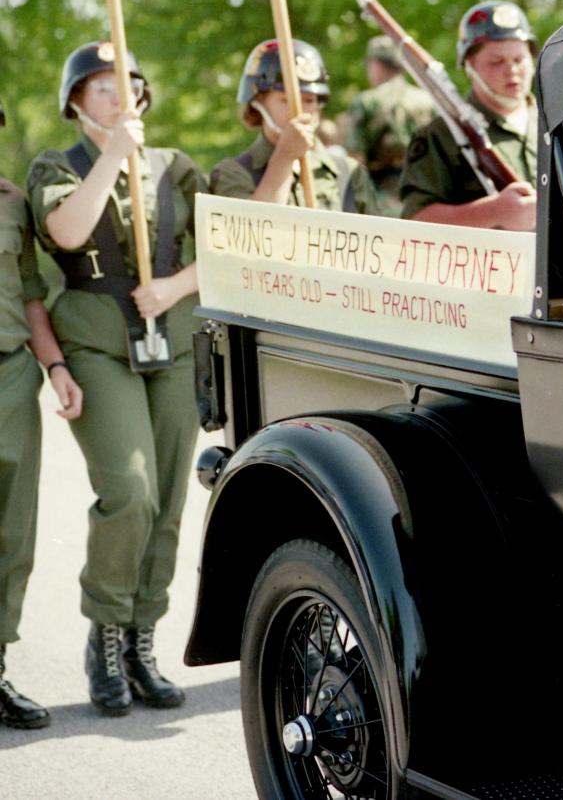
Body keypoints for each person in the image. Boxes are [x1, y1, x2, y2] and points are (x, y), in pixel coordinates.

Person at [27, 41, 203, 717]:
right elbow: (68, 233)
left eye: (127, 84)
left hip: (173, 341)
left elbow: (229, 243)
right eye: (102, 89)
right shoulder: (60, 165)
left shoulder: (175, 168)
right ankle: (104, 632)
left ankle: (140, 638)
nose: (118, 97)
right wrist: (111, 155)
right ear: (77, 104)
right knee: (128, 491)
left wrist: (177, 285)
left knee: (165, 499)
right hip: (98, 344)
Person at [0, 98, 83, 730]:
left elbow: (31, 297)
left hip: (10, 376)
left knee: (12, 534)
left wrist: (55, 368)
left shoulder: (10, 205)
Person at [400, 0, 538, 231]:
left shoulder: (558, 125)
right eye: (496, 62)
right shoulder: (442, 134)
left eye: (519, 59)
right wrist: (494, 211)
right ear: (469, 67)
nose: (512, 70)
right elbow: (416, 221)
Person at [210, 39, 378, 214]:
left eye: (309, 100)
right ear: (258, 102)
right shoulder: (232, 173)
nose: (301, 110)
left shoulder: (349, 173)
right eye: (287, 100)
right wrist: (285, 157)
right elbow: (251, 233)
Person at [345, 35, 436, 217]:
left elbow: (355, 161)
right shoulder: (429, 101)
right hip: (425, 197)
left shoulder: (367, 101)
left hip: (381, 197)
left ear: (376, 64)